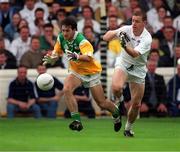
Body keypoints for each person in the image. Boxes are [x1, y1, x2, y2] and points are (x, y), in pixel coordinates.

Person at [43, 16, 121, 131]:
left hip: (91, 73)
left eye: (67, 30)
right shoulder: (60, 38)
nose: (64, 33)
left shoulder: (82, 41)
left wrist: (76, 56)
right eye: (63, 30)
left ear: (74, 30)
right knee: (66, 89)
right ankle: (77, 121)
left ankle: (116, 113)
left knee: (102, 103)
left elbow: (89, 57)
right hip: (76, 72)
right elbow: (56, 54)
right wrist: (51, 59)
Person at [103, 11, 152, 137]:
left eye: (137, 21)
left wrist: (124, 45)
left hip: (138, 69)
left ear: (144, 23)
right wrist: (110, 35)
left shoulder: (147, 38)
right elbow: (107, 36)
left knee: (136, 104)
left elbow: (135, 54)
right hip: (123, 63)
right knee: (116, 87)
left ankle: (128, 128)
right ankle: (120, 103)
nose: (134, 24)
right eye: (133, 20)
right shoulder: (126, 29)